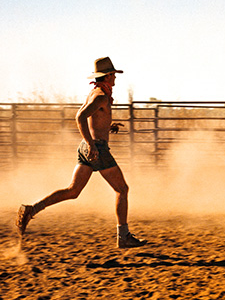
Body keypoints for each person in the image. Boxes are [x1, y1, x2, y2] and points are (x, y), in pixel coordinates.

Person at [16, 56, 145, 248]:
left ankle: (31, 210)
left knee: (73, 191)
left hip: (87, 147)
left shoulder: (96, 93)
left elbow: (91, 119)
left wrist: (106, 127)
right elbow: (80, 117)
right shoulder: (101, 96)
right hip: (96, 147)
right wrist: (92, 144)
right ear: (108, 76)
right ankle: (123, 236)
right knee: (122, 189)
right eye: (113, 75)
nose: (116, 78)